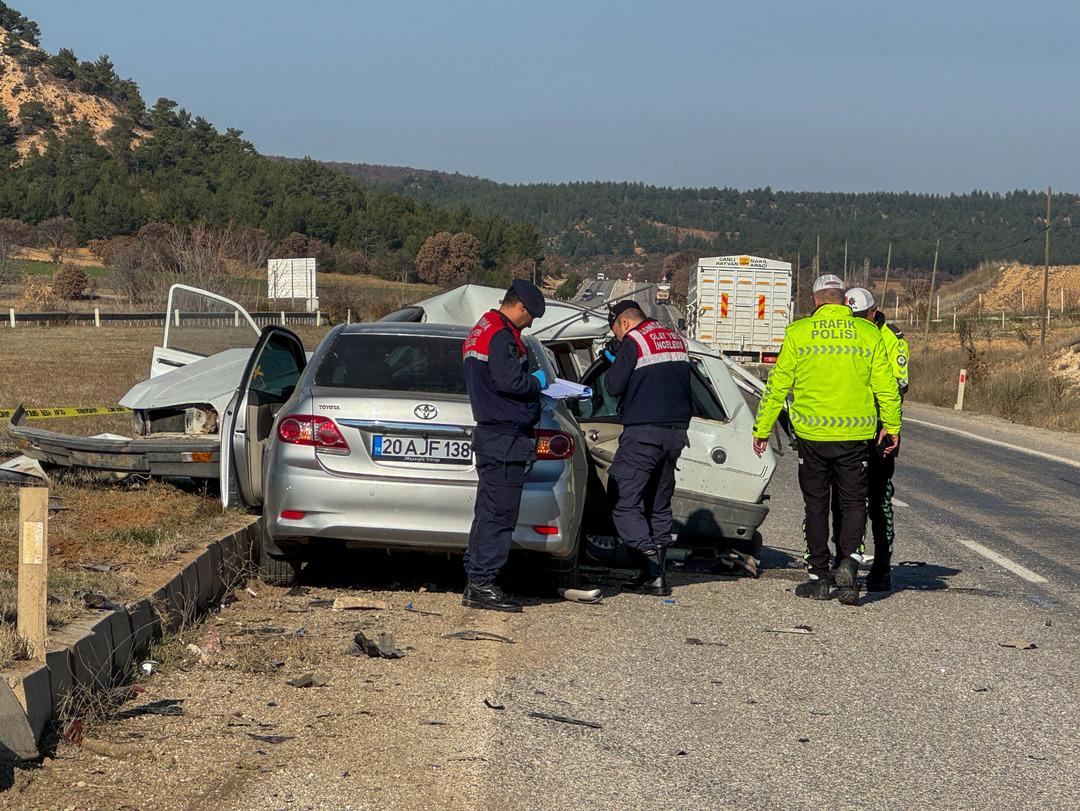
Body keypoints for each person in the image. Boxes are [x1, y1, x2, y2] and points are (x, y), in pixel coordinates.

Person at [752, 275, 902, 605]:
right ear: (844, 300)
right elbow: (886, 386)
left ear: (816, 300)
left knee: (816, 505)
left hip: (812, 437)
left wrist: (762, 429)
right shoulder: (868, 333)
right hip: (855, 436)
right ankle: (850, 564)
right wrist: (892, 426)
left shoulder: (798, 333)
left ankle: (818, 578)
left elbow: (777, 387)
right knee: (854, 502)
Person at [461, 279, 549, 612]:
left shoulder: (483, 328)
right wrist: (537, 382)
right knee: (500, 514)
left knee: (487, 511)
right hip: (505, 438)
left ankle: (477, 578)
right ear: (521, 307)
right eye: (532, 316)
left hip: (493, 435)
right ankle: (482, 583)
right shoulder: (501, 335)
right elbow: (510, 381)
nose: (531, 324)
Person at [603, 300, 692, 596]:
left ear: (624, 322)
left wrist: (613, 359)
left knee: (622, 499)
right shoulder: (674, 338)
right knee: (657, 502)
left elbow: (613, 386)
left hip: (644, 434)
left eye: (616, 331)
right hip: (676, 434)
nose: (618, 337)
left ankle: (653, 570)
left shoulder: (634, 340)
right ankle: (655, 573)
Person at [839, 286, 910, 591]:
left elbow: (899, 385)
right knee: (846, 497)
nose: (855, 320)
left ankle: (881, 566)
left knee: (879, 498)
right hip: (848, 426)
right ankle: (845, 561)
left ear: (873, 312)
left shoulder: (891, 338)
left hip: (879, 426)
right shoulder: (843, 331)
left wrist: (887, 423)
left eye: (860, 316)